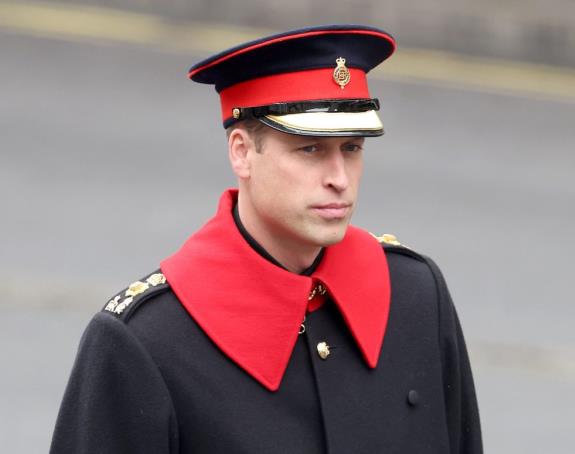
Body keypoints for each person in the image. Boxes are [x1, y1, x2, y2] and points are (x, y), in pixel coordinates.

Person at [50, 25, 482, 453]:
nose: (339, 179)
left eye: (351, 147)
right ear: (241, 152)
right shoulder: (146, 341)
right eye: (310, 148)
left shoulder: (415, 293)